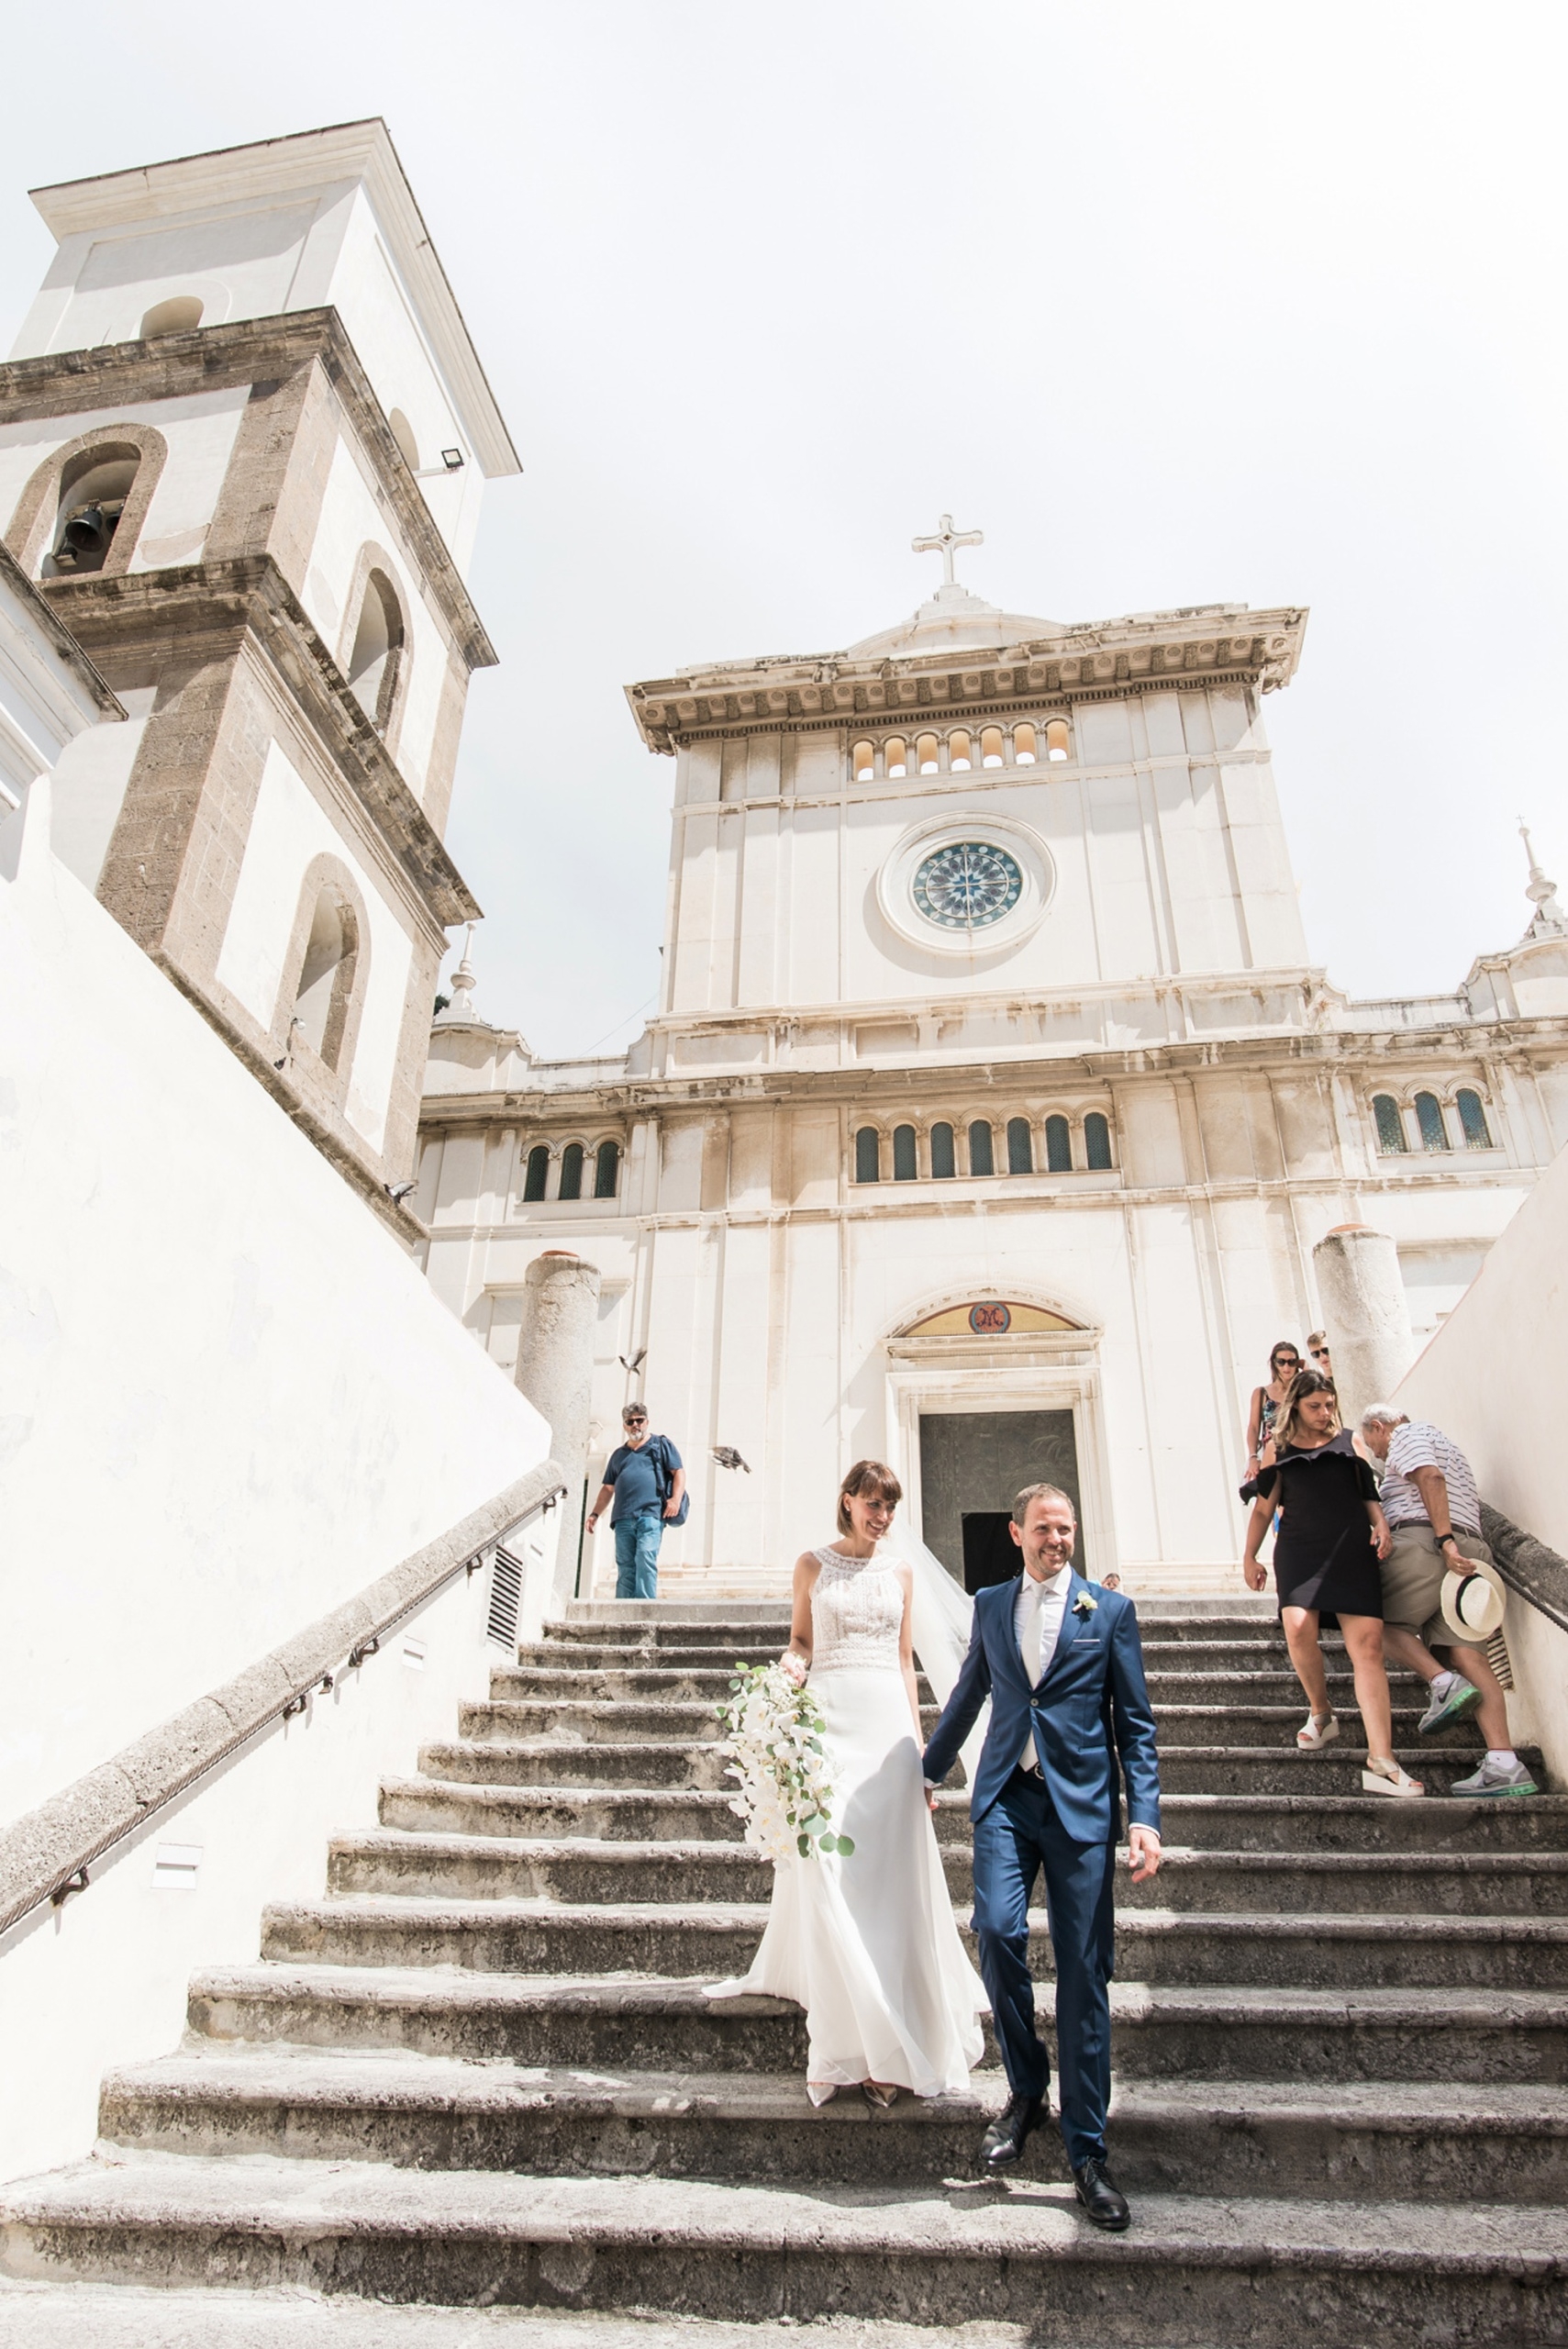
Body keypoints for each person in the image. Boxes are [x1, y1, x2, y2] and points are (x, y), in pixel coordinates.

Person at [707, 1460, 986, 2108]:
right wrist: (785, 1673)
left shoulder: (902, 1572)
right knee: (831, 1871)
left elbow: (902, 1662)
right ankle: (847, 2037)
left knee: (889, 1881)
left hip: (885, 1733)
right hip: (827, 1727)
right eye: (871, 1503)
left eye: (889, 1505)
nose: (881, 1515)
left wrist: (920, 1749)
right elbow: (801, 1640)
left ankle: (895, 2038)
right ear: (847, 1501)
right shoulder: (810, 1565)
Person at [921, 1484, 1161, 2234]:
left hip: (1082, 1808)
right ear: (1016, 1532)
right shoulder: (991, 1604)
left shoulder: (1109, 1613)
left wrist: (1143, 1819)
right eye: (1044, 1529)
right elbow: (967, 1695)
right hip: (1005, 1798)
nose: (1057, 1539)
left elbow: (1136, 1726)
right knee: (994, 1931)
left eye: (1066, 1529)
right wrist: (925, 1771)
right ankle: (1026, 2088)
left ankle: (1087, 2151)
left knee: (1085, 1976)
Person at [1242, 1368, 1421, 1798]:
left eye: (1329, 1405)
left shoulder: (1350, 1442)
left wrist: (1381, 1526)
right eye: (1314, 1406)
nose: (1324, 1413)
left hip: (1350, 1550)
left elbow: (1368, 1495)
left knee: (1370, 1647)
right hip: (1300, 1550)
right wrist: (1249, 1556)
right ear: (1296, 1407)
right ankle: (1321, 1712)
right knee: (1298, 1626)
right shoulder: (1277, 1449)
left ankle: (1382, 1760)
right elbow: (1264, 1510)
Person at [1359, 1407, 1537, 1798]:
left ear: (1379, 1427)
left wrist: (1443, 1541)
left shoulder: (1407, 1436)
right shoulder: (1450, 1446)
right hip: (1469, 1549)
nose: (1379, 1456)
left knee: (1371, 1626)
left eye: (1375, 1446)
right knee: (1468, 1656)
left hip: (1428, 1544)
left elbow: (1429, 1477)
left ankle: (1442, 1683)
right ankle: (1504, 1765)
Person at [584, 1403, 684, 1600]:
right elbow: (607, 1488)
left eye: (639, 1420)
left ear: (647, 1422)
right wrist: (595, 1513)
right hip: (623, 1518)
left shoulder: (660, 1445)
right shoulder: (618, 1455)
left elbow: (678, 1472)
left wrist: (675, 1499)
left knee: (645, 1556)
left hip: (650, 1515)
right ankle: (623, 1609)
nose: (635, 1425)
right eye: (630, 1422)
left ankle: (645, 1607)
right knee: (625, 1565)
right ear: (624, 1426)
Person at [1244, 1341, 1302, 1490]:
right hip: (1272, 1454)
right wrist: (1252, 1456)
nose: (1286, 1367)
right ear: (1273, 1364)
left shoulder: (1302, 1392)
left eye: (1292, 1362)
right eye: (1281, 1362)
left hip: (1299, 1452)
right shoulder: (1261, 1393)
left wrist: (1306, 1368)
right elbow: (1253, 1428)